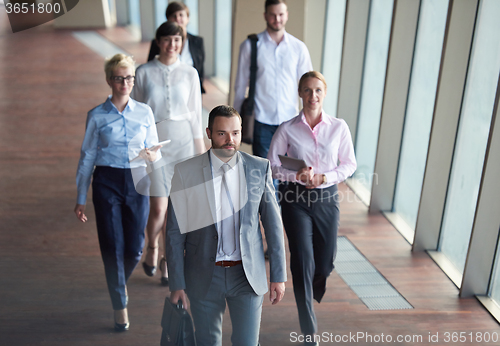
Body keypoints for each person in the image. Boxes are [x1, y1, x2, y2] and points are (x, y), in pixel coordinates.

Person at [165, 105, 287, 346]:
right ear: (209, 133)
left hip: (247, 275)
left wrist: (278, 275)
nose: (230, 140)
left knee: (247, 343)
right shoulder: (185, 172)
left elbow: (273, 225)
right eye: (222, 133)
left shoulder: (258, 168)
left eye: (235, 133)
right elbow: (174, 233)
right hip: (203, 275)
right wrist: (176, 283)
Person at [267, 71, 357, 345]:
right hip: (295, 201)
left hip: (327, 199)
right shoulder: (287, 128)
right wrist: (298, 175)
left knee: (325, 261)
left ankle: (317, 281)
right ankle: (309, 331)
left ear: (325, 93)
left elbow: (349, 164)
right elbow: (272, 165)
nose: (312, 96)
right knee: (302, 260)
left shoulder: (338, 127)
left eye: (317, 90)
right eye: (307, 90)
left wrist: (324, 177)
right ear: (300, 94)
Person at [74, 53, 161, 331]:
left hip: (138, 181)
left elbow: (156, 152)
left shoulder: (145, 112)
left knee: (135, 247)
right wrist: (80, 197)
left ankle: (118, 279)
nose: (125, 83)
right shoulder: (96, 116)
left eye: (130, 78)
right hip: (107, 182)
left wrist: (151, 156)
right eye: (119, 78)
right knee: (112, 246)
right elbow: (87, 156)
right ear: (109, 80)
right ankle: (120, 303)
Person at [132, 21, 205, 286]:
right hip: (155, 146)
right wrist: (139, 150)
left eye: (178, 40)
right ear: (158, 41)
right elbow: (136, 114)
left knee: (176, 212)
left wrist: (201, 154)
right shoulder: (143, 72)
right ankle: (151, 244)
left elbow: (196, 115)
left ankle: (166, 260)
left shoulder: (190, 73)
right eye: (168, 39)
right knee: (159, 209)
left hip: (184, 144)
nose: (173, 45)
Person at [233, 0, 312, 159]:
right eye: (273, 15)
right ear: (265, 16)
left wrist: (310, 119)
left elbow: (308, 86)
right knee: (267, 174)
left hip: (291, 121)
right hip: (261, 121)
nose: (277, 19)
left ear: (287, 15)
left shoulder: (299, 48)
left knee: (289, 174)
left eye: (281, 14)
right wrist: (235, 122)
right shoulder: (250, 46)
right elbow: (240, 86)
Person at [147, 1, 206, 93]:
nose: (177, 18)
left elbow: (200, 70)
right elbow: (150, 68)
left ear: (188, 18)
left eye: (181, 15)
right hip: (164, 89)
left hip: (191, 88)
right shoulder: (158, 42)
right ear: (168, 19)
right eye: (174, 15)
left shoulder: (198, 41)